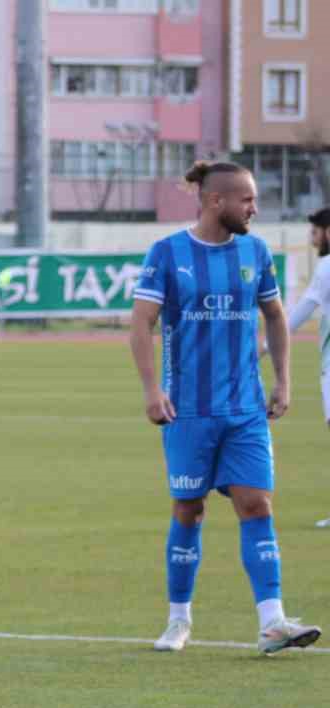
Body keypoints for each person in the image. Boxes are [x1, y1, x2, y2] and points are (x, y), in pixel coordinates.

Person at [132, 160, 319, 655]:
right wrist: (153, 390)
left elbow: (276, 316)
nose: (255, 208)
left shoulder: (256, 252)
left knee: (257, 505)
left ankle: (272, 620)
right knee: (189, 510)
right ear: (216, 201)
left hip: (245, 409)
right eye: (247, 200)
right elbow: (141, 323)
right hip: (187, 410)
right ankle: (178, 619)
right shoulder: (168, 253)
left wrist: (282, 380)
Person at [286, 207, 330, 528]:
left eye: (315, 231)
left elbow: (303, 310)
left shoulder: (327, 267)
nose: (312, 238)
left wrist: (267, 345)